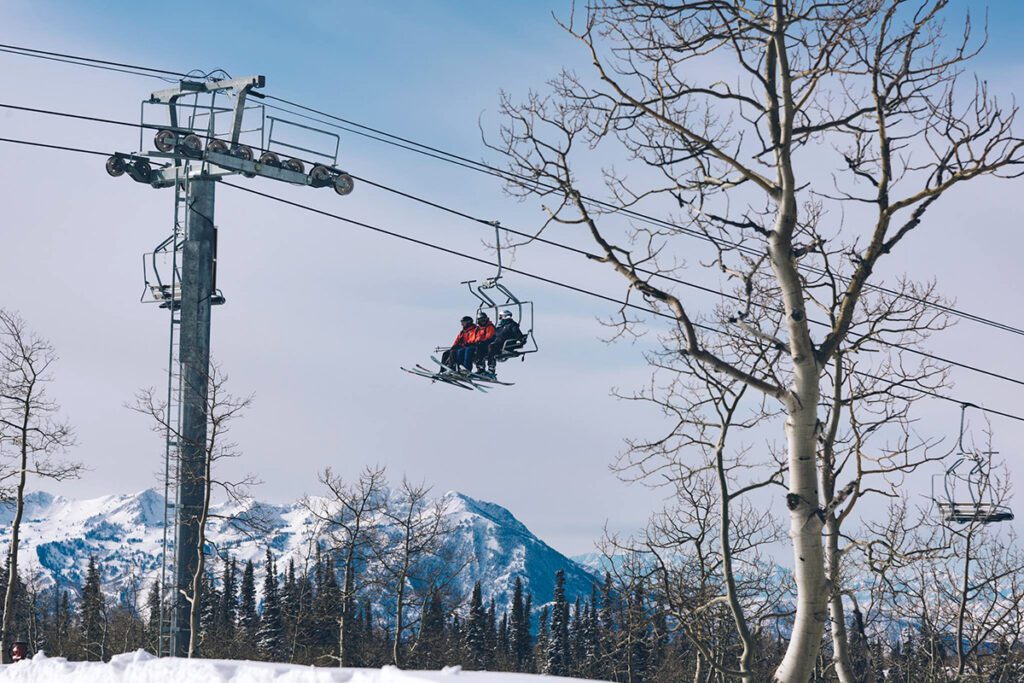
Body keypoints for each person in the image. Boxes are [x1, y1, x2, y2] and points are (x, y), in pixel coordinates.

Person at [485, 309, 523, 375]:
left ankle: (491, 369)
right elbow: (494, 335)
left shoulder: (512, 325)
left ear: (505, 316)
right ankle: (480, 368)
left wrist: (522, 339)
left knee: (491, 347)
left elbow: (518, 335)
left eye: (501, 317)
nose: (500, 319)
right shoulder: (500, 327)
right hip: (497, 343)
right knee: (481, 346)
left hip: (504, 345)